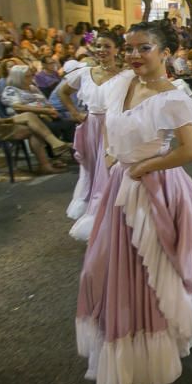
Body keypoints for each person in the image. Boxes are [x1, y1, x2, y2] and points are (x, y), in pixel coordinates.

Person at [76, 20, 192, 384]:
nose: (134, 55)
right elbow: (108, 124)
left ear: (165, 53)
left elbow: (191, 151)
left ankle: (152, 338)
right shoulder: (121, 84)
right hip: (121, 185)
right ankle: (132, 338)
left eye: (144, 48)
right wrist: (113, 156)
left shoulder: (172, 95)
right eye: (130, 48)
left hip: (155, 186)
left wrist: (144, 167)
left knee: (152, 265)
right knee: (105, 264)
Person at [58, 31, 123, 241]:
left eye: (107, 46)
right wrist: (75, 113)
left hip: (114, 127)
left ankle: (110, 214)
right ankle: (95, 211)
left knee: (110, 170)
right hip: (90, 125)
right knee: (92, 169)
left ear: (117, 49)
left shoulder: (125, 75)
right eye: (99, 46)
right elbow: (63, 92)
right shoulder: (84, 73)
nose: (102, 50)